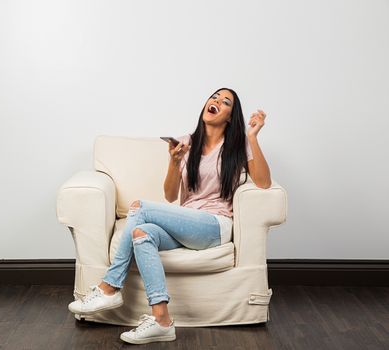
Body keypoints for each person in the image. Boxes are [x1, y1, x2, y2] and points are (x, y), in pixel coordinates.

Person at [68, 87, 272, 345]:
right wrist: (175, 162)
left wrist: (253, 136)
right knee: (140, 233)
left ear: (231, 116)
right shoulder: (186, 141)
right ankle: (162, 320)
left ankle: (110, 287)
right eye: (214, 97)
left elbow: (264, 183)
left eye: (225, 102)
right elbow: (170, 194)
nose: (216, 101)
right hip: (187, 224)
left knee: (139, 207)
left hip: (214, 225)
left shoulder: (238, 144)